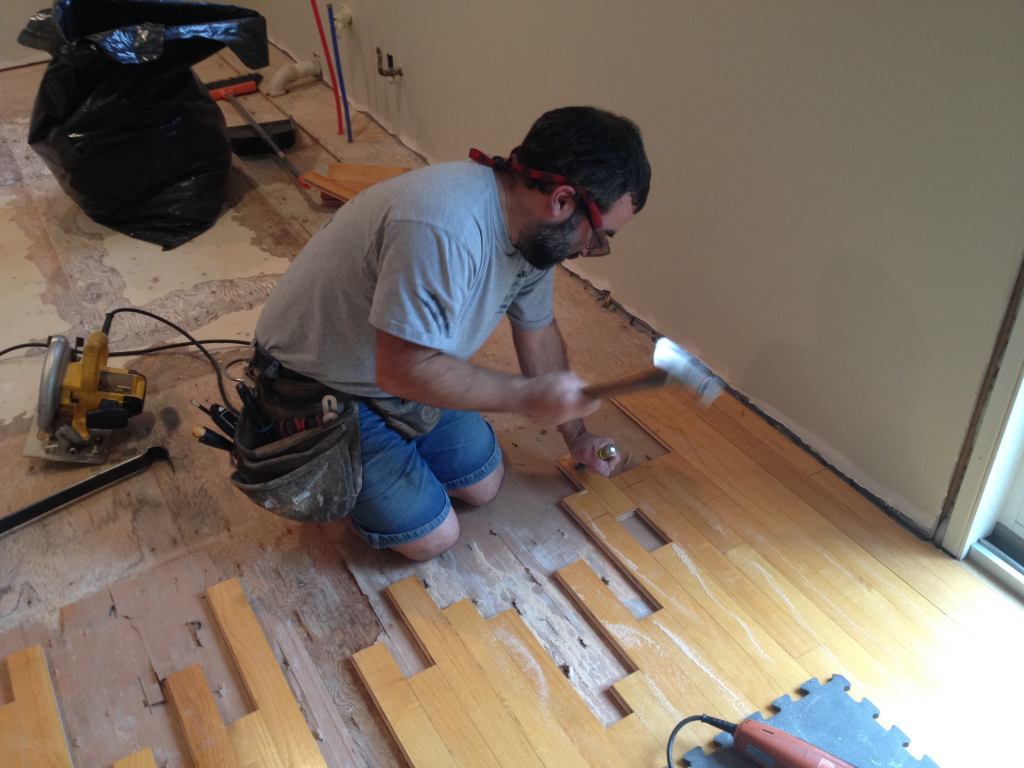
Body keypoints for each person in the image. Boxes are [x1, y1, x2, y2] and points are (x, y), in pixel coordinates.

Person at [246, 105, 651, 561]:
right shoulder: (444, 227)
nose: (592, 249)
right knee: (433, 537)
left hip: (395, 369)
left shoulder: (535, 235)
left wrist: (577, 436)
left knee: (483, 482)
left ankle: (385, 453)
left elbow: (537, 331)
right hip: (316, 384)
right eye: (599, 236)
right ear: (561, 200)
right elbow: (404, 371)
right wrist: (526, 395)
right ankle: (324, 459)